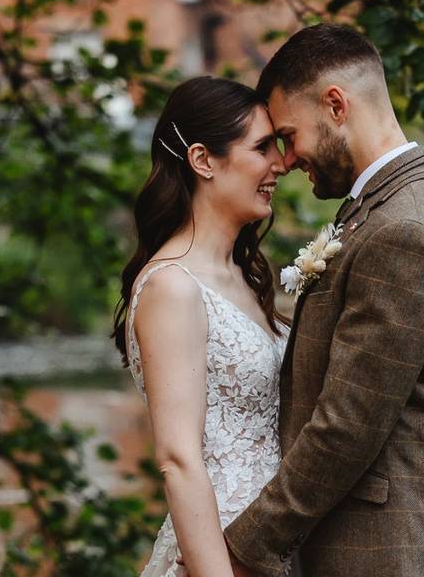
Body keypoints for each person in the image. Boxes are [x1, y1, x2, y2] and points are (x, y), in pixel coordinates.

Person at [222, 23, 424, 576]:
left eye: (290, 135)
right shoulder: (407, 208)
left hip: (396, 549)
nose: (287, 159)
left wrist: (244, 544)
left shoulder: (403, 233)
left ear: (335, 105)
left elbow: (347, 425)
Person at [112, 75, 290, 576]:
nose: (280, 164)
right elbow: (178, 459)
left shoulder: (244, 276)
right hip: (219, 552)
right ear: (203, 160)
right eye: (261, 147)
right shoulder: (172, 286)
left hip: (272, 543)